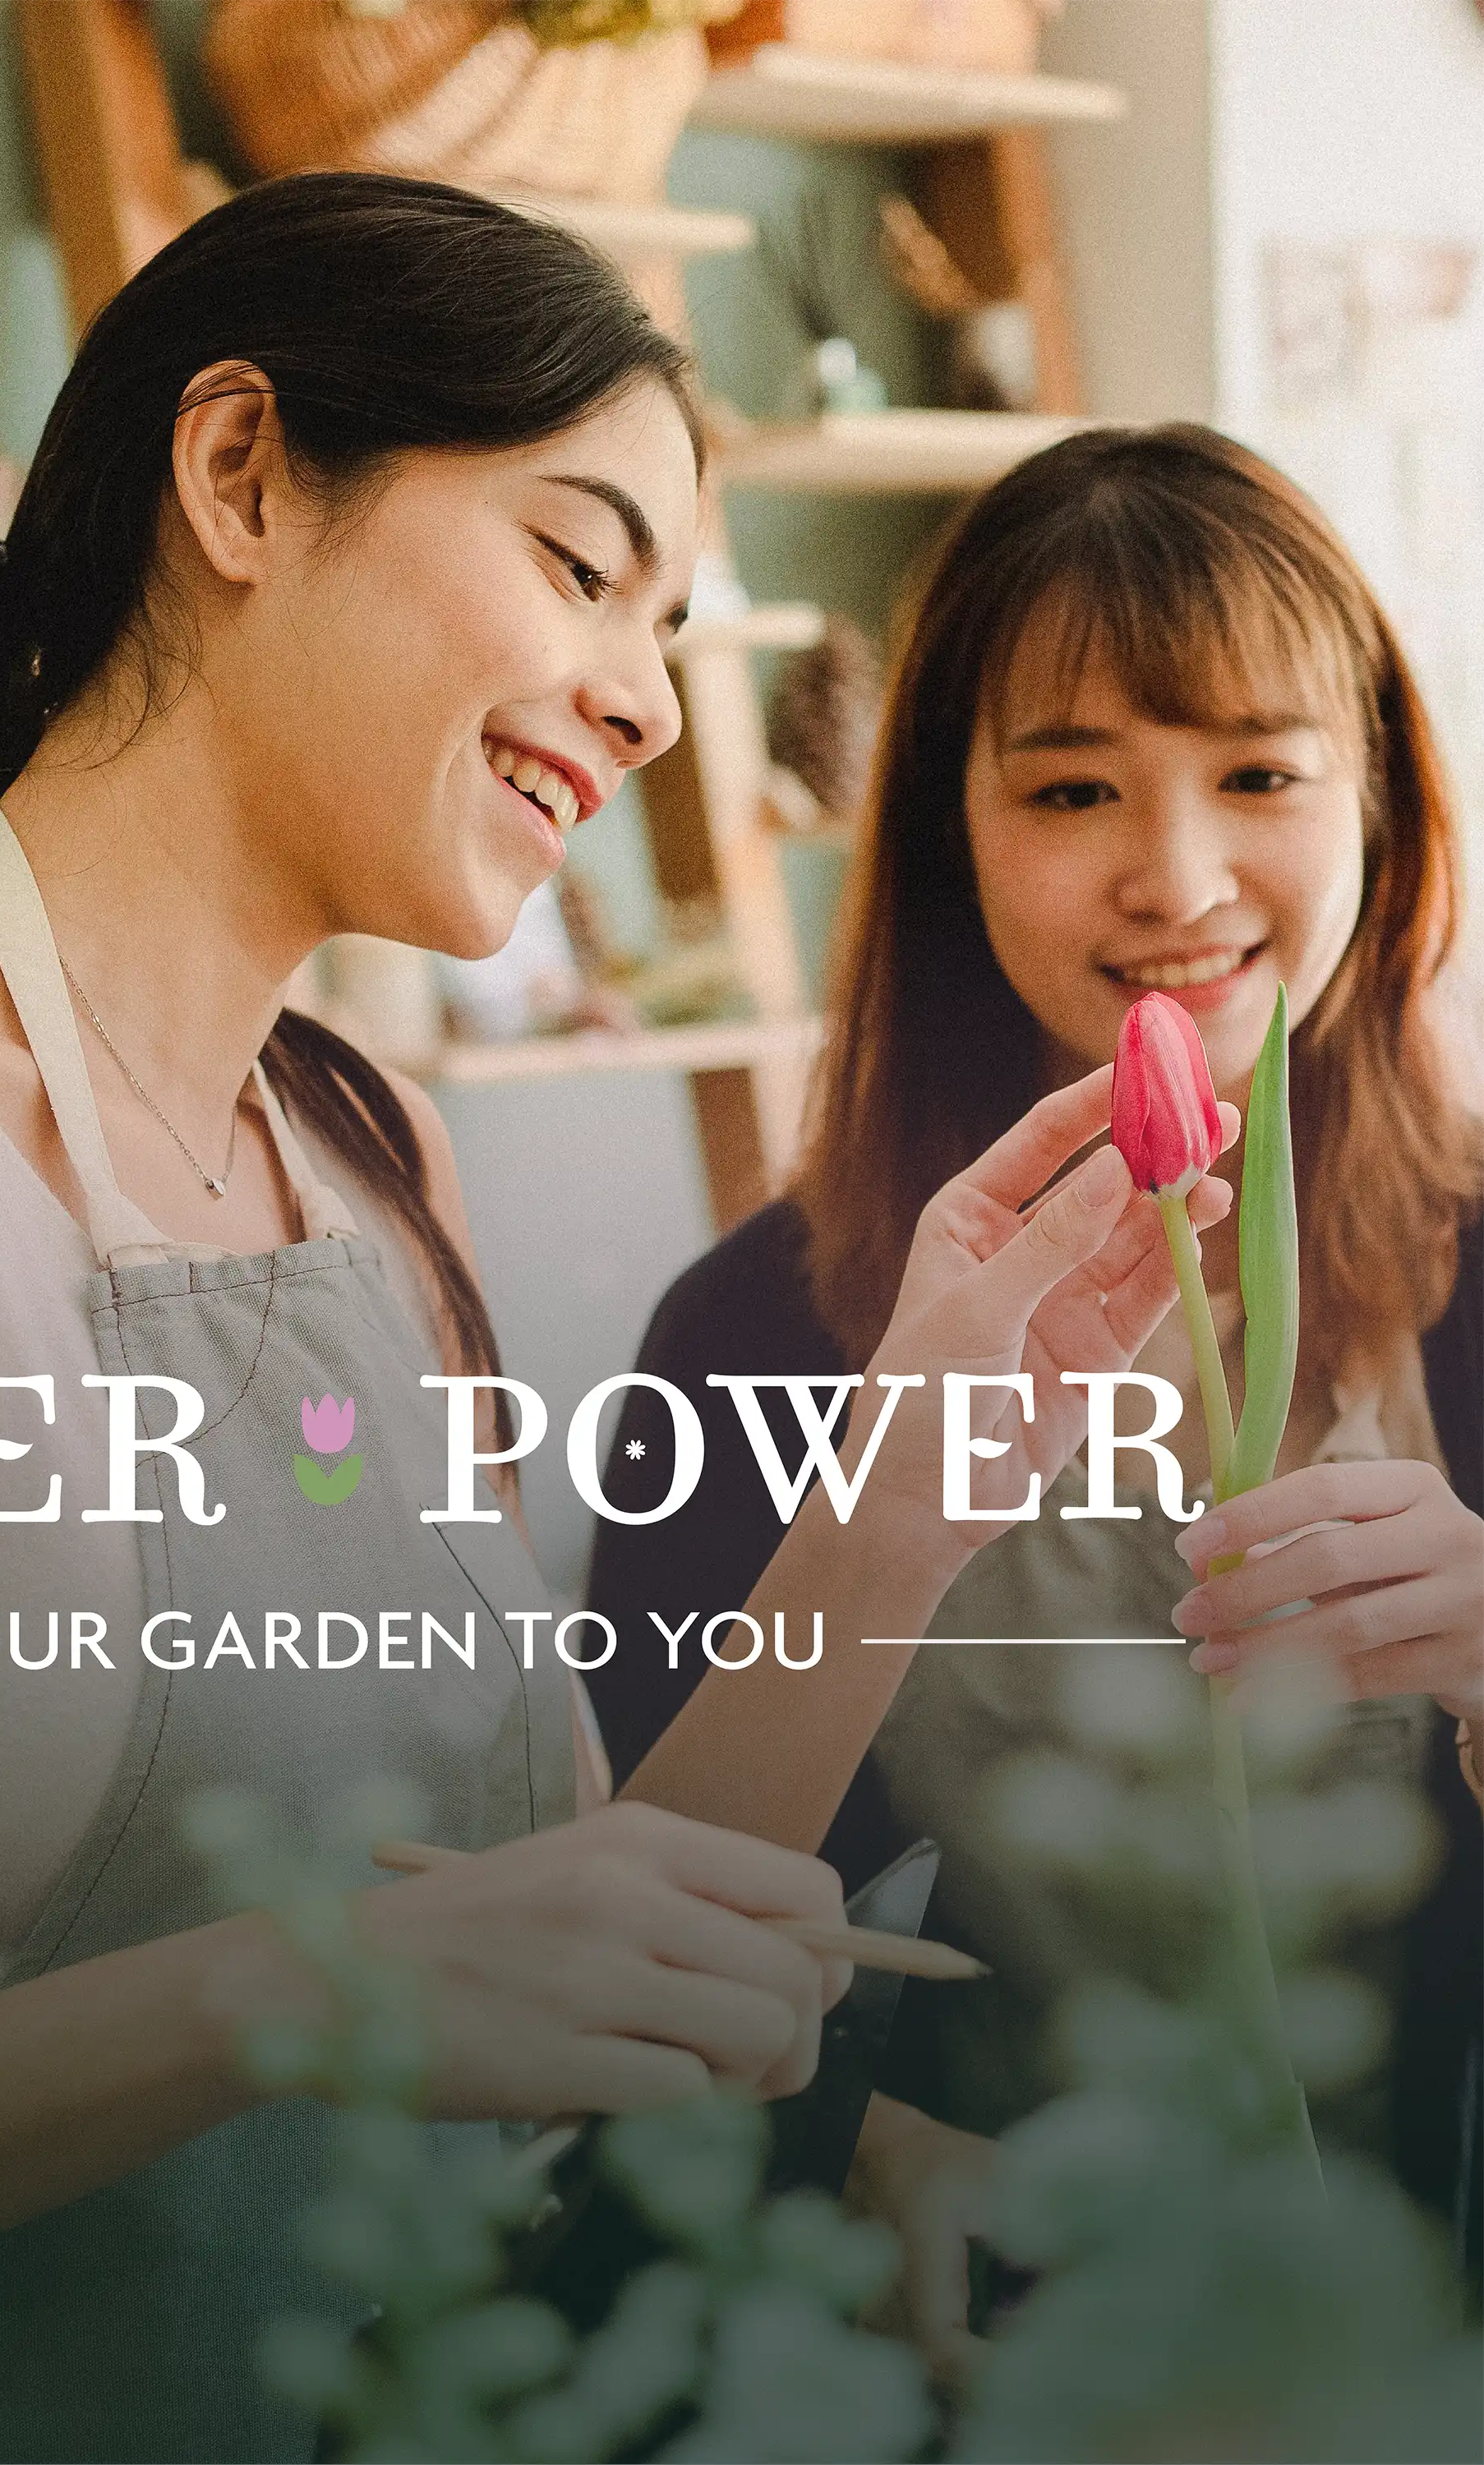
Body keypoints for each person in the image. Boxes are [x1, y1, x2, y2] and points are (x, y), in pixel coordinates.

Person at [0, 182, 1228, 2463]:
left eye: (671, 618)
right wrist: (288, 1992)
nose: (646, 698)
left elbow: (561, 1947)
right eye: (578, 560)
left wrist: (900, 1507)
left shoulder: (364, 1165)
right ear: (240, 476)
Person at [588, 422, 1484, 2375]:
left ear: (1386, 808)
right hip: (988, 2351)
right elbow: (632, 1946)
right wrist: (880, 2154)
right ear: (944, 835)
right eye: (1073, 786)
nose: (1176, 877)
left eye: (1259, 773)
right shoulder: (754, 1332)